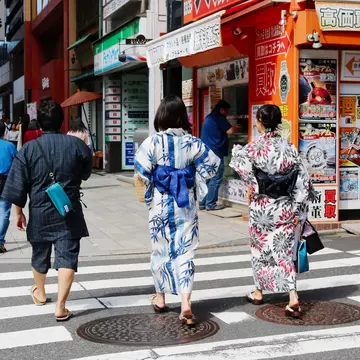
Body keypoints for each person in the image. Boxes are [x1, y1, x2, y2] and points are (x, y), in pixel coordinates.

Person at [1, 100, 92, 321]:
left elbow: (18, 184)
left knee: (39, 253)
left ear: (40, 123)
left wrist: (18, 212)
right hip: (68, 209)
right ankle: (61, 306)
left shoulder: (29, 149)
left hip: (40, 211)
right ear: (62, 122)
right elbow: (86, 173)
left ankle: (40, 294)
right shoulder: (77, 145)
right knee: (67, 257)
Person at [134, 95, 220, 326]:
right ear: (183, 116)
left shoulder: (153, 142)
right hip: (185, 203)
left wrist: (152, 184)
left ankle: (161, 298)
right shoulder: (193, 142)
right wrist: (195, 181)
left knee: (160, 249)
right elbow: (212, 164)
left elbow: (141, 169)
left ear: (161, 116)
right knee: (185, 251)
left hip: (161, 204)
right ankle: (185, 303)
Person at [230, 104, 314, 319]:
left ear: (259, 121)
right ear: (278, 122)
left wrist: (236, 153)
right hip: (285, 206)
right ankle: (292, 296)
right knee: (284, 252)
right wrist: (298, 209)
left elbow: (245, 172)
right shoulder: (290, 148)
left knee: (261, 251)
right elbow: (303, 182)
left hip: (262, 208)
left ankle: (259, 291)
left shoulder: (253, 148)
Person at [200, 100, 241, 211]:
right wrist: (238, 127)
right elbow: (230, 131)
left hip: (206, 152)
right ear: (222, 109)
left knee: (208, 178)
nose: (227, 113)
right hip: (215, 153)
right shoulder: (218, 117)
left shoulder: (209, 117)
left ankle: (202, 203)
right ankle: (211, 204)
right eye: (227, 111)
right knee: (216, 178)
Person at [0, 121, 17, 253]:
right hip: (5, 182)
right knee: (4, 212)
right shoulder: (10, 146)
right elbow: (18, 164)